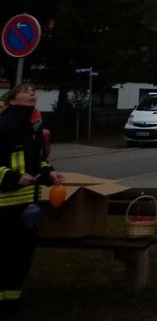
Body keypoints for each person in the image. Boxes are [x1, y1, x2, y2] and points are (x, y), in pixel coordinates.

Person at [0, 83, 64, 321]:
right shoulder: (3, 125)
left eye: (34, 91)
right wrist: (13, 177)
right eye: (26, 90)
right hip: (4, 205)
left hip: (28, 207)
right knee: (3, 258)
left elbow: (37, 161)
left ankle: (13, 303)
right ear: (13, 99)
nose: (32, 94)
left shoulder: (32, 128)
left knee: (22, 258)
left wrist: (49, 174)